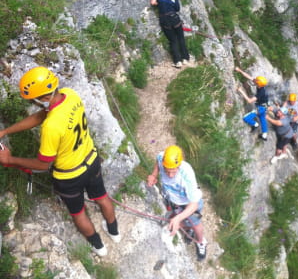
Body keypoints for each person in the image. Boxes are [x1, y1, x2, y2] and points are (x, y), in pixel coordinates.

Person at [0, 66, 120, 257]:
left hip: (70, 176)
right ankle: (114, 232)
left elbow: (43, 164)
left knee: (79, 213)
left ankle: (99, 247)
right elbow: (40, 115)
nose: (34, 103)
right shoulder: (70, 95)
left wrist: (10, 159)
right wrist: (6, 131)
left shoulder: (51, 127)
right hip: (91, 159)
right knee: (102, 197)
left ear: (44, 98)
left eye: (34, 100)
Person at [147, 145, 207, 261]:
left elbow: (194, 204)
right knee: (181, 220)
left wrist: (178, 219)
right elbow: (158, 163)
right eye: (167, 171)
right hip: (175, 201)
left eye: (173, 171)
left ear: (179, 165)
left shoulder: (187, 174)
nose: (170, 175)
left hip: (189, 203)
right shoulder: (162, 158)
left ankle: (201, 242)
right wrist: (154, 175)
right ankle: (187, 228)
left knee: (196, 225)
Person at [151, 0, 190, 69]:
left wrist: (160, 3)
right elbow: (177, 8)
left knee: (173, 40)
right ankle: (185, 58)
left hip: (164, 19)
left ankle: (178, 62)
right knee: (180, 38)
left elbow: (153, 2)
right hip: (174, 17)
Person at [235, 67, 269, 140]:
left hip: (260, 108)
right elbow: (249, 77)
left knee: (246, 118)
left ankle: (255, 125)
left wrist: (241, 91)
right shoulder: (261, 85)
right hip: (265, 106)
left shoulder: (260, 92)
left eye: (256, 82)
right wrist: (239, 70)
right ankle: (264, 135)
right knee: (262, 118)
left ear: (258, 84)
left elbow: (249, 101)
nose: (254, 81)